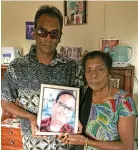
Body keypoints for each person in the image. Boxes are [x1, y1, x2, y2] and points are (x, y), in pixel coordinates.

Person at [1, 5, 83, 150]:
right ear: (34, 33)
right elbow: (5, 102)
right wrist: (31, 117)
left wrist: (76, 119)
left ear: (60, 37)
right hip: (32, 145)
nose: (48, 38)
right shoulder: (17, 67)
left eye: (54, 33)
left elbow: (81, 100)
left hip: (65, 144)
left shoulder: (71, 67)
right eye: (42, 31)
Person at [59, 51, 138, 150]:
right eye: (89, 70)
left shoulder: (124, 101)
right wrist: (65, 134)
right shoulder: (80, 96)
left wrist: (86, 142)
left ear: (110, 72)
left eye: (99, 69)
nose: (94, 75)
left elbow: (127, 147)